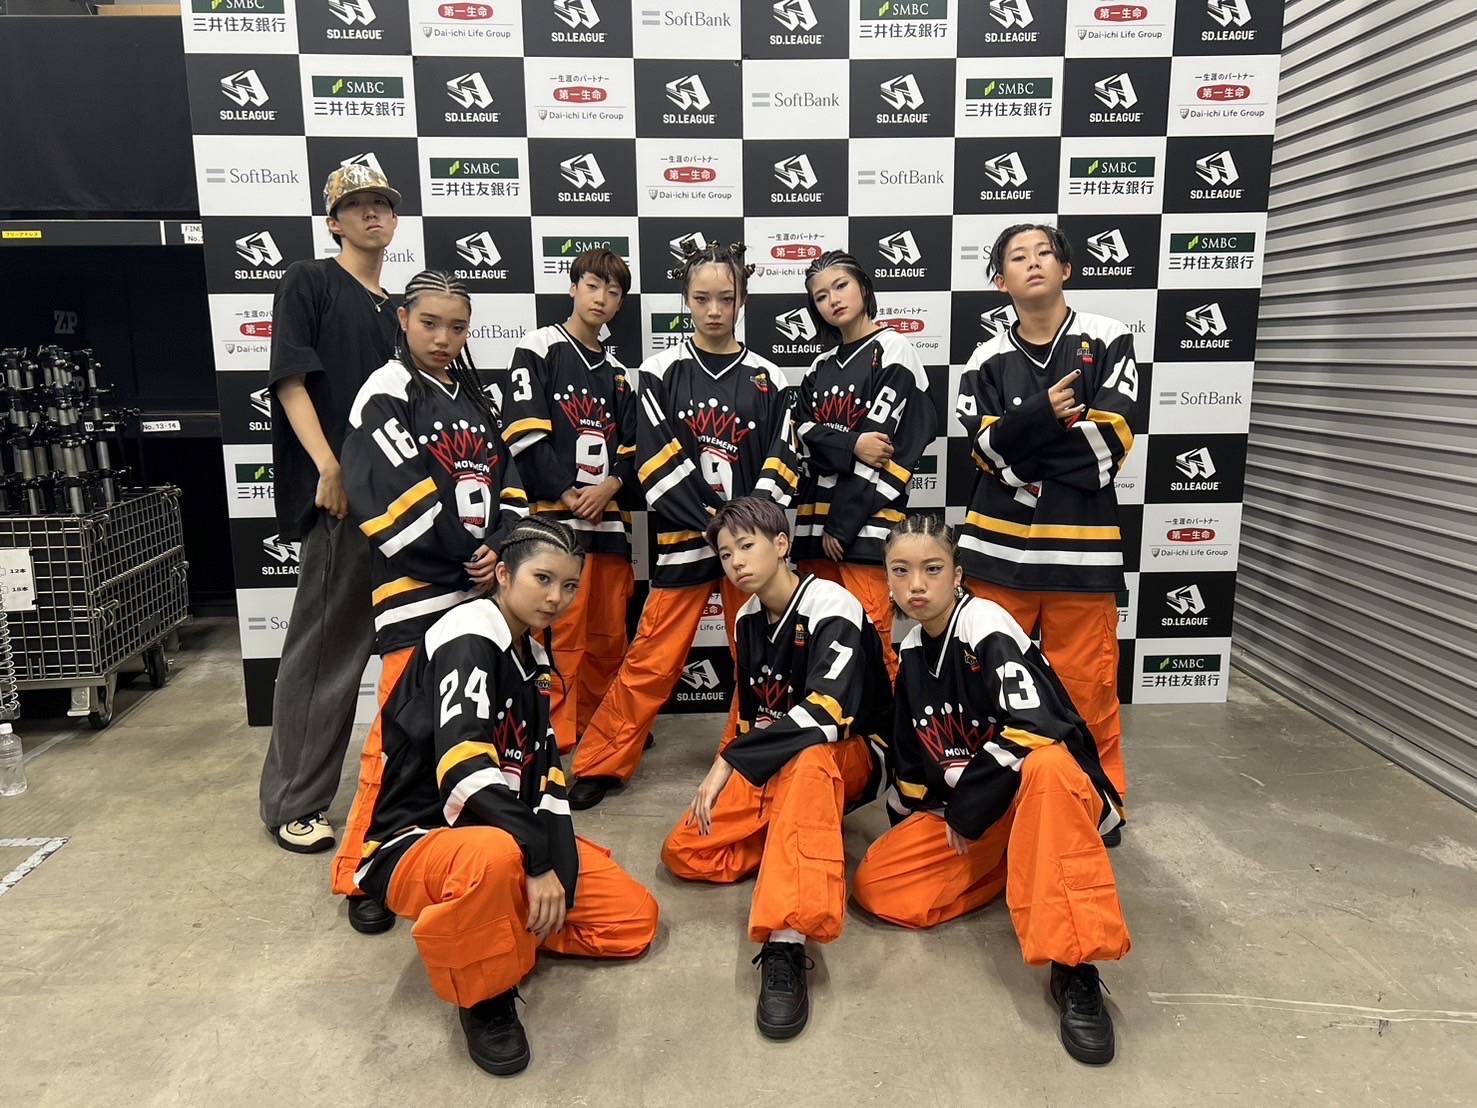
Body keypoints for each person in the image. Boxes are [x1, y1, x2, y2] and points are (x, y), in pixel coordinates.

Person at [348, 518, 660, 1077]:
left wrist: (556, 866)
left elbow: (548, 782)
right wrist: (536, 860)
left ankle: (494, 928)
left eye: (569, 585)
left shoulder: (533, 657)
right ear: (503, 575)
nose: (556, 597)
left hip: (505, 833)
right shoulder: (470, 633)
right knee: (496, 856)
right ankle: (485, 996)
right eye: (543, 578)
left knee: (632, 919)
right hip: (421, 840)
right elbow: (462, 767)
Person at [853, 514, 1130, 1065]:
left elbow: (1037, 725)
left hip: (1043, 798)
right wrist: (913, 830)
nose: (916, 585)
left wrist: (967, 810)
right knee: (877, 885)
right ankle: (1026, 866)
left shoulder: (985, 623)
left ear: (958, 573)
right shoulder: (913, 649)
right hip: (979, 813)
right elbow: (912, 758)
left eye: (932, 569)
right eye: (900, 571)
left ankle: (1075, 964)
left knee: (1046, 767)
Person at [567, 240, 802, 810]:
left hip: (751, 546)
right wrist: (712, 524)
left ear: (742, 300)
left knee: (761, 658)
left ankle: (754, 758)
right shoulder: (658, 372)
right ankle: (601, 762)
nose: (714, 310)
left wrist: (744, 531)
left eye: (726, 298)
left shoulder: (770, 376)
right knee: (652, 655)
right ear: (685, 300)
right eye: (701, 298)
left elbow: (784, 457)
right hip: (682, 540)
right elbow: (654, 458)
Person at [328, 269, 530, 934]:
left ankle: (444, 853)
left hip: (479, 596)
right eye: (430, 323)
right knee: (397, 738)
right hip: (418, 596)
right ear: (403, 320)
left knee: (470, 734)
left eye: (458, 327)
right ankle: (363, 868)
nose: (444, 338)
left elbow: (510, 489)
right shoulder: (385, 392)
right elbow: (391, 495)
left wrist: (498, 548)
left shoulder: (475, 398)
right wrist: (464, 557)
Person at [661, 497, 889, 1041]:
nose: (736, 562)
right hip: (777, 759)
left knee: (809, 759)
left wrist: (728, 761)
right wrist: (738, 758)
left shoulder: (832, 603)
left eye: (747, 546)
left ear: (782, 544)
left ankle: (786, 939)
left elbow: (827, 714)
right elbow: (754, 714)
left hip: (851, 753)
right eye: (725, 554)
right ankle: (799, 836)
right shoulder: (745, 618)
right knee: (687, 851)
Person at [954, 224, 1138, 807]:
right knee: (991, 687)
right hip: (995, 556)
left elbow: (1106, 446)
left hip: (1081, 554)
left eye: (1044, 253)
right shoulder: (984, 358)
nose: (1032, 263)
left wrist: (1019, 441)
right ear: (999, 280)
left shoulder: (1108, 338)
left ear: (1066, 268)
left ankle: (1093, 802)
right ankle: (993, 803)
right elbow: (984, 454)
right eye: (1017, 256)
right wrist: (1043, 414)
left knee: (1088, 689)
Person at [259, 163, 401, 855]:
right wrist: (329, 466)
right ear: (334, 221)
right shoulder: (309, 281)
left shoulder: (399, 308)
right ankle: (295, 802)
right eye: (358, 204)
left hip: (399, 506)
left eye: (382, 203)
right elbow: (290, 380)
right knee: (323, 656)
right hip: (340, 500)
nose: (372, 213)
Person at [499, 249, 638, 754]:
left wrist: (610, 487)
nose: (601, 299)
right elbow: (524, 433)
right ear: (573, 286)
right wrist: (566, 490)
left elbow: (634, 448)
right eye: (593, 286)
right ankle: (554, 731)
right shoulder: (539, 348)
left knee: (608, 633)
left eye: (613, 291)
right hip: (555, 523)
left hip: (608, 525)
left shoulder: (619, 371)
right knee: (558, 630)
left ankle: (602, 724)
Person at [792, 250, 938, 680]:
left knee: (870, 637)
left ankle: (885, 725)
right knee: (817, 638)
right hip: (814, 522)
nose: (833, 300)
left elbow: (891, 449)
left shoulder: (893, 350)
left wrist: (843, 524)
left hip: (864, 524)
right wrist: (853, 443)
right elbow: (801, 433)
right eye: (821, 296)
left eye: (841, 286)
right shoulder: (819, 366)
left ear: (864, 288)